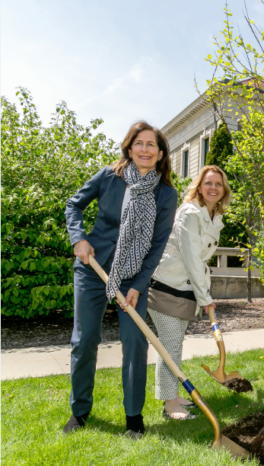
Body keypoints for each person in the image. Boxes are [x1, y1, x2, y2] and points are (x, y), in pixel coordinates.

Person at [64, 121, 178, 437]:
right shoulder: (108, 178)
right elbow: (74, 205)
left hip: (133, 277)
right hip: (93, 269)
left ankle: (133, 418)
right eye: (139, 143)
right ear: (129, 148)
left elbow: (156, 246)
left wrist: (139, 287)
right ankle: (80, 411)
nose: (144, 149)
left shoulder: (166, 194)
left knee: (134, 341)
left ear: (160, 153)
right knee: (84, 340)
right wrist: (78, 239)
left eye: (151, 145)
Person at [147, 165, 231, 420]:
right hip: (167, 286)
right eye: (208, 183)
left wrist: (203, 295)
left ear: (224, 189)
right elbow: (192, 258)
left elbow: (200, 263)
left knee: (174, 343)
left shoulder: (213, 216)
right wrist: (206, 298)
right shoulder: (190, 213)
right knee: (170, 345)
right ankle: (170, 405)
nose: (213, 188)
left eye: (218, 184)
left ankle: (172, 394)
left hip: (184, 288)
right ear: (199, 186)